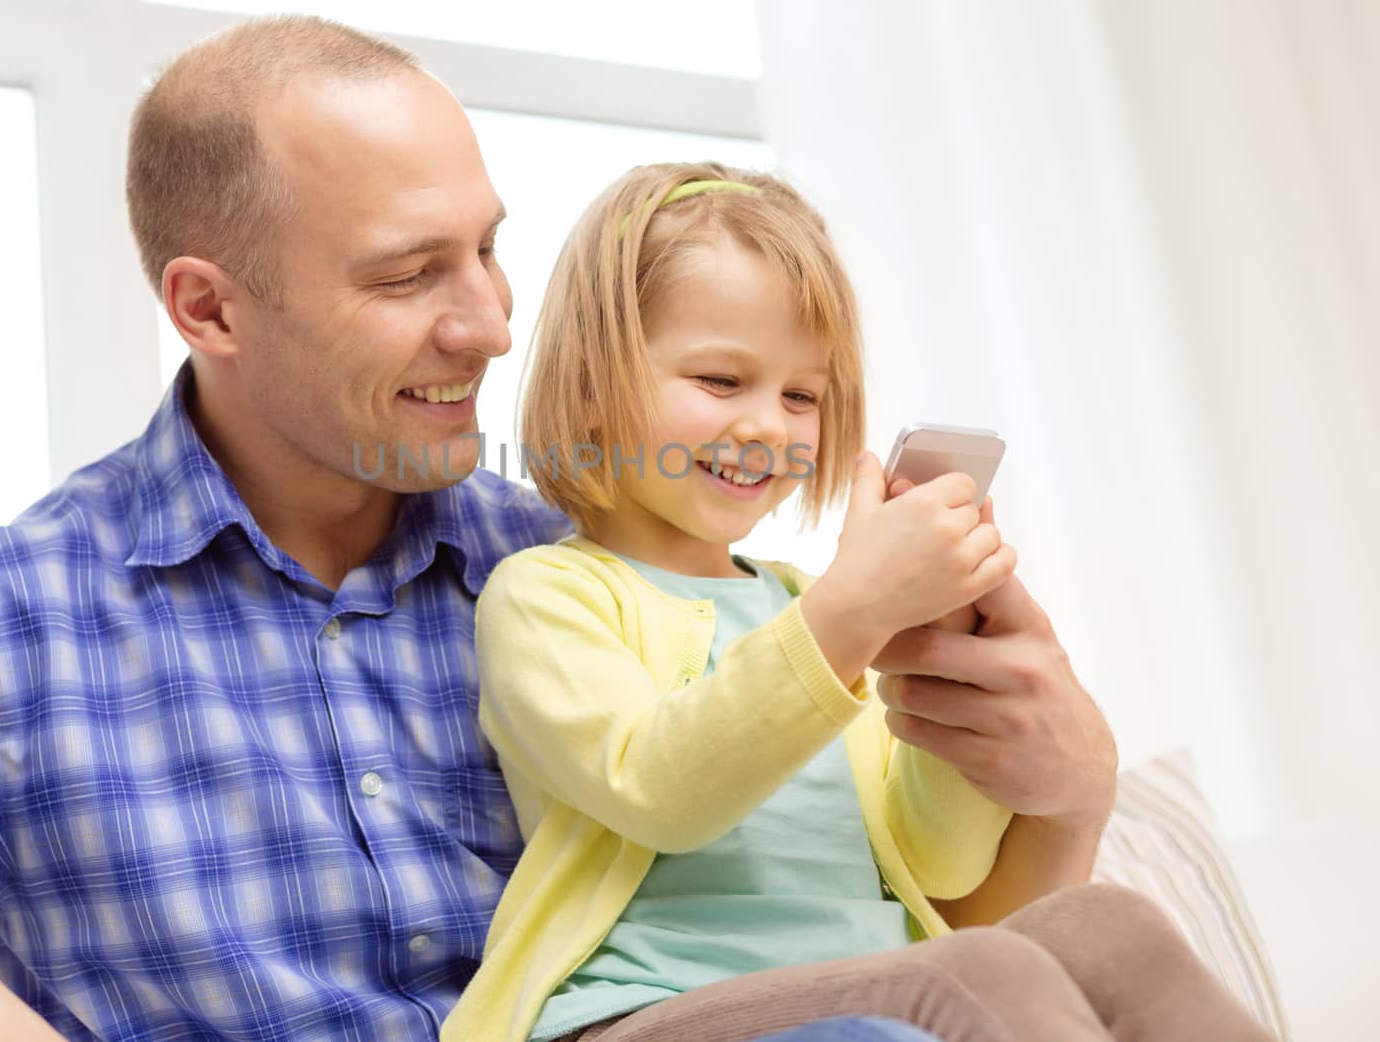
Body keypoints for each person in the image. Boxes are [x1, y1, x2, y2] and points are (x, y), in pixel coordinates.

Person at [0, 15, 1111, 1041]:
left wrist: (1066, 785)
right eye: (411, 272)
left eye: (487, 249)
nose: (490, 321)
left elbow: (900, 950)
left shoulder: (591, 566)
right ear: (211, 310)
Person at [441, 164, 1273, 1042]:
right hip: (642, 1013)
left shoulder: (806, 608)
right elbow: (660, 788)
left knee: (1111, 926)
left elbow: (938, 860)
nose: (769, 423)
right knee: (975, 973)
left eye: (801, 394)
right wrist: (850, 617)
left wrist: (931, 660)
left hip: (867, 990)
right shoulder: (548, 594)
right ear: (596, 379)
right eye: (723, 380)